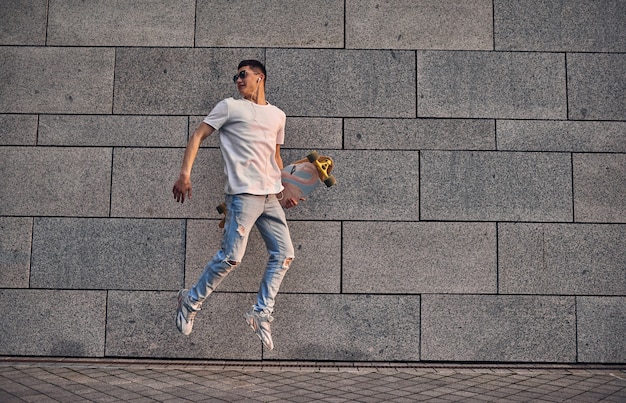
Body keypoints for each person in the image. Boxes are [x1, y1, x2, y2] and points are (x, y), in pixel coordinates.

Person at [172, 60, 297, 351]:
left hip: (269, 197)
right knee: (231, 257)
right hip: (242, 195)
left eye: (243, 75)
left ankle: (261, 312)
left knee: (285, 254)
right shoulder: (229, 107)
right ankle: (190, 300)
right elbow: (198, 135)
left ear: (260, 77)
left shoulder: (278, 115)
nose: (238, 80)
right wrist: (184, 174)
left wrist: (285, 188)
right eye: (236, 76)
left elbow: (275, 157)